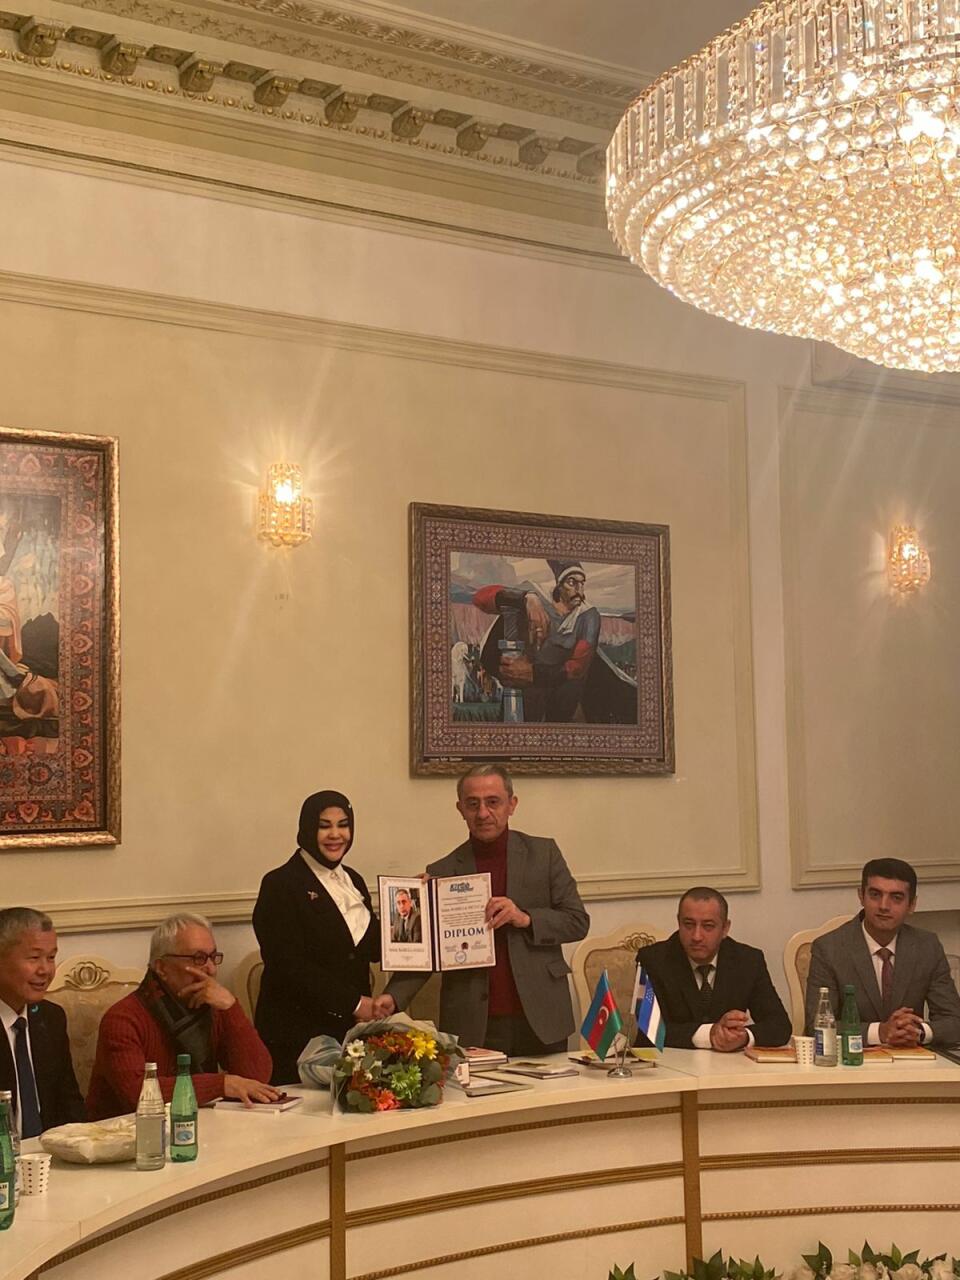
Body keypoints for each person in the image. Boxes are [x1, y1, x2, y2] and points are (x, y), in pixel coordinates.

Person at [375, 765, 589, 1055]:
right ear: (460, 809)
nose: (483, 813)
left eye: (493, 802)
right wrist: (394, 996)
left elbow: (577, 921)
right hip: (474, 1022)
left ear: (512, 804)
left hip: (541, 1015)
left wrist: (525, 918)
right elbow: (427, 952)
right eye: (473, 804)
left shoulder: (544, 854)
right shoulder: (442, 872)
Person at [86, 913, 276, 1118]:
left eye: (213, 957)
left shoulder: (213, 1007)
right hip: (128, 1130)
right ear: (162, 968)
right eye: (198, 958)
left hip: (199, 1123)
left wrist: (230, 1008)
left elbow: (258, 1077)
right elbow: (137, 1094)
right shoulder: (123, 1019)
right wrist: (221, 1084)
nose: (211, 969)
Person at [253, 790, 380, 1085]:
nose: (336, 835)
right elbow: (288, 965)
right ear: (307, 828)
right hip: (297, 1036)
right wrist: (354, 1003)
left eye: (343, 825)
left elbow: (370, 949)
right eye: (324, 826)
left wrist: (413, 902)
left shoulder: (353, 880)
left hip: (350, 1031)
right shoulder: (280, 884)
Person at [804, 857, 960, 1046]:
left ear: (912, 905)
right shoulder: (829, 948)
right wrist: (879, 1032)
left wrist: (918, 1031)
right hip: (853, 1058)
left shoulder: (927, 946)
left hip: (910, 1057)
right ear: (861, 896)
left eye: (896, 897)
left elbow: (954, 1021)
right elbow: (816, 1026)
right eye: (875, 895)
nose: (884, 906)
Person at [636, 887, 791, 1051]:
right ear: (678, 922)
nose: (696, 936)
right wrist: (709, 1035)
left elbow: (780, 1025)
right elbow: (646, 1032)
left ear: (725, 928)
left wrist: (743, 1037)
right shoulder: (653, 960)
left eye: (708, 926)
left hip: (729, 1065)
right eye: (688, 925)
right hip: (673, 1063)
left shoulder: (748, 961)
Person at [473, 559, 601, 722]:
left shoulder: (588, 616)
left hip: (559, 696)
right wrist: (526, 598)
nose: (579, 590)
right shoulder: (535, 594)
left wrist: (533, 673)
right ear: (559, 585)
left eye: (582, 583)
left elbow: (576, 667)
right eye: (572, 582)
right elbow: (480, 599)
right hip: (522, 692)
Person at [0, 907, 84, 1134]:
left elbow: (70, 1106)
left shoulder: (51, 1018)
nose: (45, 970)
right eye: (34, 958)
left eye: (51, 957)